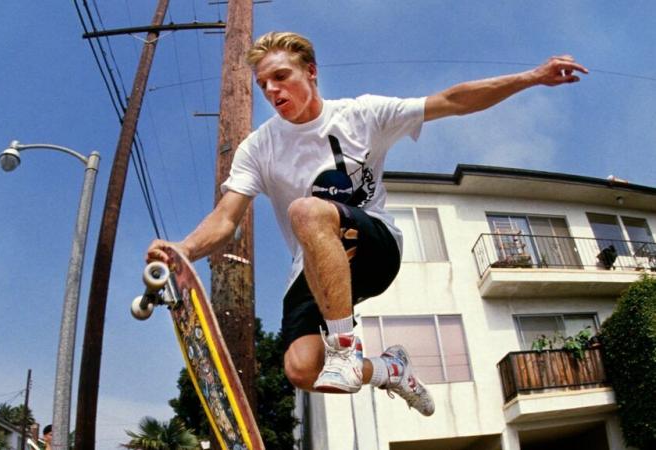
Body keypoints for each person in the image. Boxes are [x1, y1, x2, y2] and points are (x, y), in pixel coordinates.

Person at [147, 31, 588, 417]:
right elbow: (226, 218)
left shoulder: (363, 114)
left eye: (281, 76)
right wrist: (184, 249)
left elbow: (452, 101)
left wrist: (531, 77)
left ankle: (344, 347)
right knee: (300, 369)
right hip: (316, 264)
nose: (272, 90)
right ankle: (390, 370)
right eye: (263, 85)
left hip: (376, 248)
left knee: (306, 209)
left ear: (311, 72)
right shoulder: (259, 147)